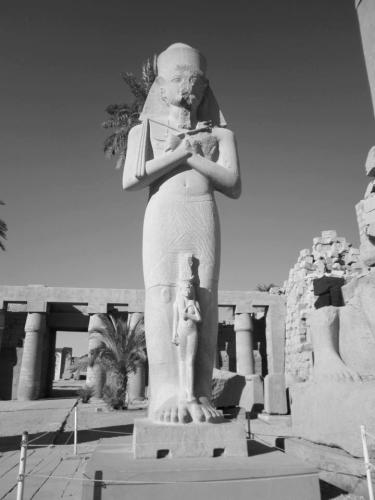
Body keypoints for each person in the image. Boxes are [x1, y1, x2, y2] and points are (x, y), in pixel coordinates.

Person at [123, 43, 241, 423]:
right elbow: (132, 180)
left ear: (206, 88)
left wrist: (189, 154)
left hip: (202, 214)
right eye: (178, 78)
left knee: (203, 299)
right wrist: (181, 153)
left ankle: (198, 394)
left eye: (196, 81)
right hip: (164, 215)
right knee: (162, 299)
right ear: (160, 88)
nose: (188, 86)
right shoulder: (144, 130)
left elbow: (233, 184)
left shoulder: (222, 136)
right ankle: (168, 396)